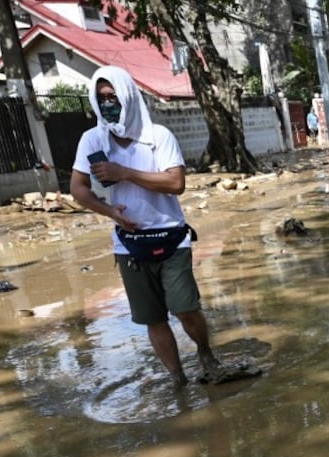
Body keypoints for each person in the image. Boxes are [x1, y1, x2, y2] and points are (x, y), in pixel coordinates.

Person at [69, 66, 245, 386]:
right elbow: (78, 188)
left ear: (129, 97)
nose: (107, 104)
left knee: (185, 309)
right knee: (153, 318)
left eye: (113, 97)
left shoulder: (158, 136)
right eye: (101, 98)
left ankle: (206, 355)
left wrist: (124, 172)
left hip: (171, 238)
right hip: (130, 244)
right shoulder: (93, 140)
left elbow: (176, 182)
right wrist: (109, 211)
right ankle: (178, 379)